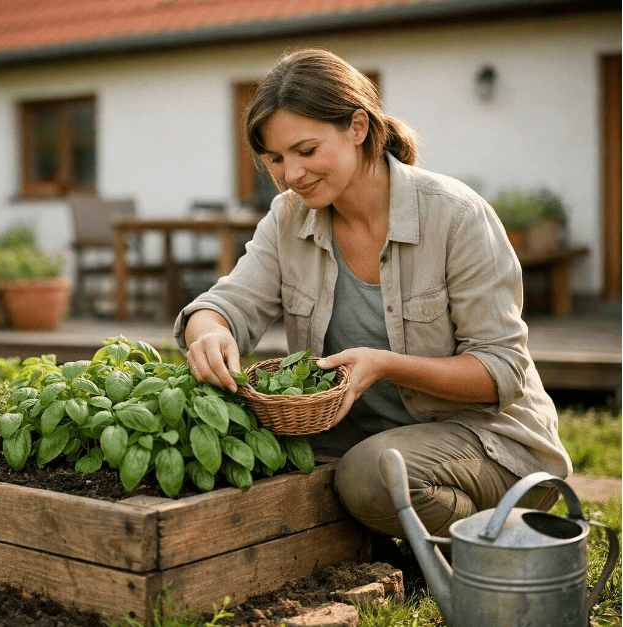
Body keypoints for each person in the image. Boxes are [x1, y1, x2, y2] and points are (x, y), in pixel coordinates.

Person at [173, 48, 571, 541]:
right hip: (364, 440)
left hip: (489, 445)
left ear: (358, 127)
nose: (290, 174)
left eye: (306, 150)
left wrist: (385, 364)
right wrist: (208, 330)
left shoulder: (455, 216)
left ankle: (504, 543)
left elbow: (500, 372)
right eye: (274, 159)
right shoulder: (289, 218)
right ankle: (426, 526)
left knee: (367, 475)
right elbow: (228, 302)